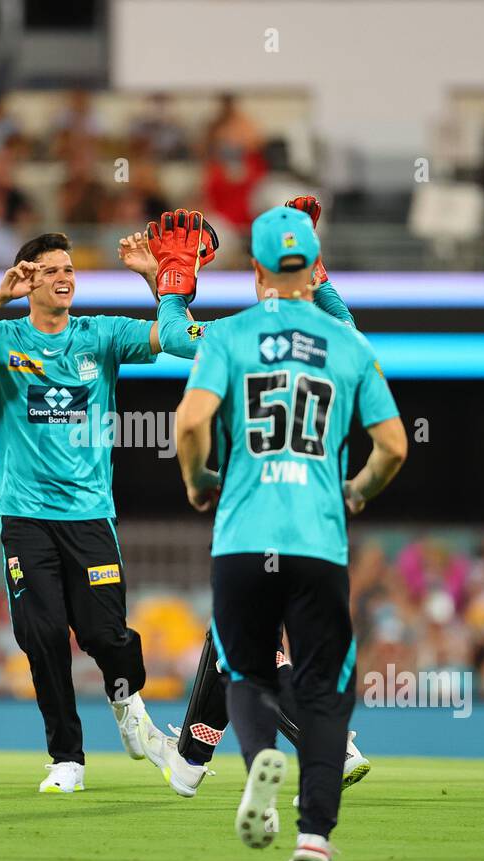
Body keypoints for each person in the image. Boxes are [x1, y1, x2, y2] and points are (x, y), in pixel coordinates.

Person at [169, 205, 407, 861]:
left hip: (243, 540)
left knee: (243, 672)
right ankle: (314, 837)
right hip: (318, 541)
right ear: (315, 266)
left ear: (256, 267)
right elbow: (392, 447)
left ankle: (256, 763)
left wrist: (197, 480)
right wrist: (356, 490)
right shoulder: (348, 342)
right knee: (325, 693)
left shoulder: (229, 336)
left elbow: (189, 424)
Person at [119, 198, 372, 802]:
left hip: (250, 513)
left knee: (248, 646)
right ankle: (190, 759)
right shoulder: (334, 343)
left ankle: (328, 744)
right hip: (316, 518)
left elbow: (179, 338)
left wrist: (173, 283)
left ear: (256, 276)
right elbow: (352, 333)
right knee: (236, 637)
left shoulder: (234, 337)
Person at [0, 233, 173, 793]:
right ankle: (67, 758)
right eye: (51, 270)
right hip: (23, 513)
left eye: (70, 269)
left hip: (90, 514)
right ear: (30, 279)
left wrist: (151, 277)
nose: (65, 277)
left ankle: (125, 700)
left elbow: (172, 337)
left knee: (104, 633)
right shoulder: (3, 337)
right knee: (41, 634)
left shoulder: (102, 334)